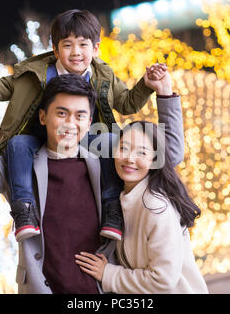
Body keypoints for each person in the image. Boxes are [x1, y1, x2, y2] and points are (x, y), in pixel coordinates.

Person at [0, 68, 184, 293]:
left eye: (79, 116)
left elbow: (165, 155)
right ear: (43, 117)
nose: (69, 124)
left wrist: (164, 93)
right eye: (61, 113)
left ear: (89, 123)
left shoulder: (110, 167)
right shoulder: (18, 169)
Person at [0, 9, 166, 242]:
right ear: (55, 49)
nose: (76, 52)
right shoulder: (34, 72)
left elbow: (126, 103)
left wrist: (146, 85)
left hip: (85, 137)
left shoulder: (103, 74)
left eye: (83, 45)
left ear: (95, 48)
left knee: (109, 140)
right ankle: (24, 209)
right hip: (38, 136)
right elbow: (2, 89)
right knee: (17, 145)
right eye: (67, 45)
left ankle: (112, 209)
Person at [75, 71, 209, 294]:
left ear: (155, 159)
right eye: (124, 148)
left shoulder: (155, 208)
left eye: (141, 152)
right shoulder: (124, 198)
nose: (129, 158)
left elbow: (161, 279)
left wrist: (108, 274)